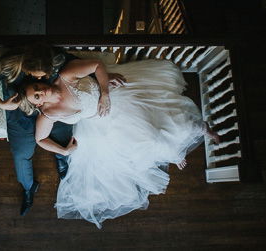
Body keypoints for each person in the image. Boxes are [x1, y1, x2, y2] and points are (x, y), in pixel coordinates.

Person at [20, 57, 220, 228]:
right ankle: (173, 148)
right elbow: (40, 139)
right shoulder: (47, 114)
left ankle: (198, 129)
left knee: (156, 123)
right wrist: (64, 151)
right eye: (37, 96)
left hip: (115, 97)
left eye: (37, 87)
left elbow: (97, 65)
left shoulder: (65, 76)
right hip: (99, 123)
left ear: (41, 81)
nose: (41, 92)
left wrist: (105, 93)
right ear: (37, 104)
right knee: (146, 143)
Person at [0, 42, 125, 216]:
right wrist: (2, 104)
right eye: (37, 77)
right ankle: (28, 187)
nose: (40, 79)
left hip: (53, 105)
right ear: (25, 67)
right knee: (21, 154)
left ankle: (61, 158)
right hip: (20, 111)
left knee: (63, 137)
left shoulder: (56, 58)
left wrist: (102, 80)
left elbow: (77, 69)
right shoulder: (8, 65)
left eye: (45, 74)